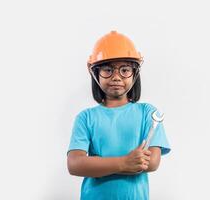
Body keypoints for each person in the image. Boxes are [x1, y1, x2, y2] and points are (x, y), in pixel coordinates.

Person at [67, 30, 171, 200]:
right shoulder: (85, 118)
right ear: (95, 73)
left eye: (124, 70)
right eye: (108, 70)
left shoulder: (148, 114)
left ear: (135, 73)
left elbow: (152, 162)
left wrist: (101, 164)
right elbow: (75, 164)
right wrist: (123, 163)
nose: (116, 77)